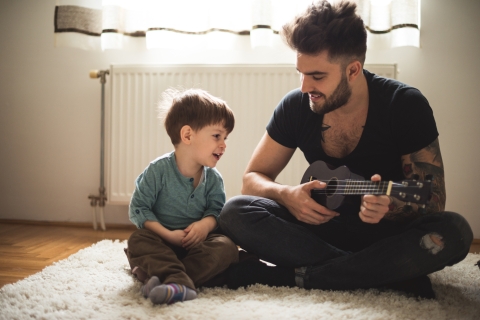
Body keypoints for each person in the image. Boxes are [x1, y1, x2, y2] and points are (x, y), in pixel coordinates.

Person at [218, 0, 473, 299]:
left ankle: (299, 276)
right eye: (300, 73)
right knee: (234, 211)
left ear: (353, 70)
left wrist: (390, 206)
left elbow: (434, 198)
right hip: (318, 231)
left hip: (385, 237)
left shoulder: (404, 105)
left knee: (455, 231)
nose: (304, 87)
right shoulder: (297, 105)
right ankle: (380, 275)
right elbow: (252, 178)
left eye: (317, 76)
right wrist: (285, 195)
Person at [125, 88, 239, 305]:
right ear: (187, 135)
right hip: (162, 242)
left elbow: (216, 211)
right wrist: (168, 235)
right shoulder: (158, 171)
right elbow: (139, 209)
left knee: (227, 247)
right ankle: (181, 281)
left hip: (198, 247)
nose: (224, 144)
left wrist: (205, 226)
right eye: (217, 136)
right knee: (138, 240)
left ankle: (165, 280)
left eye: (225, 137)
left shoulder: (213, 179)